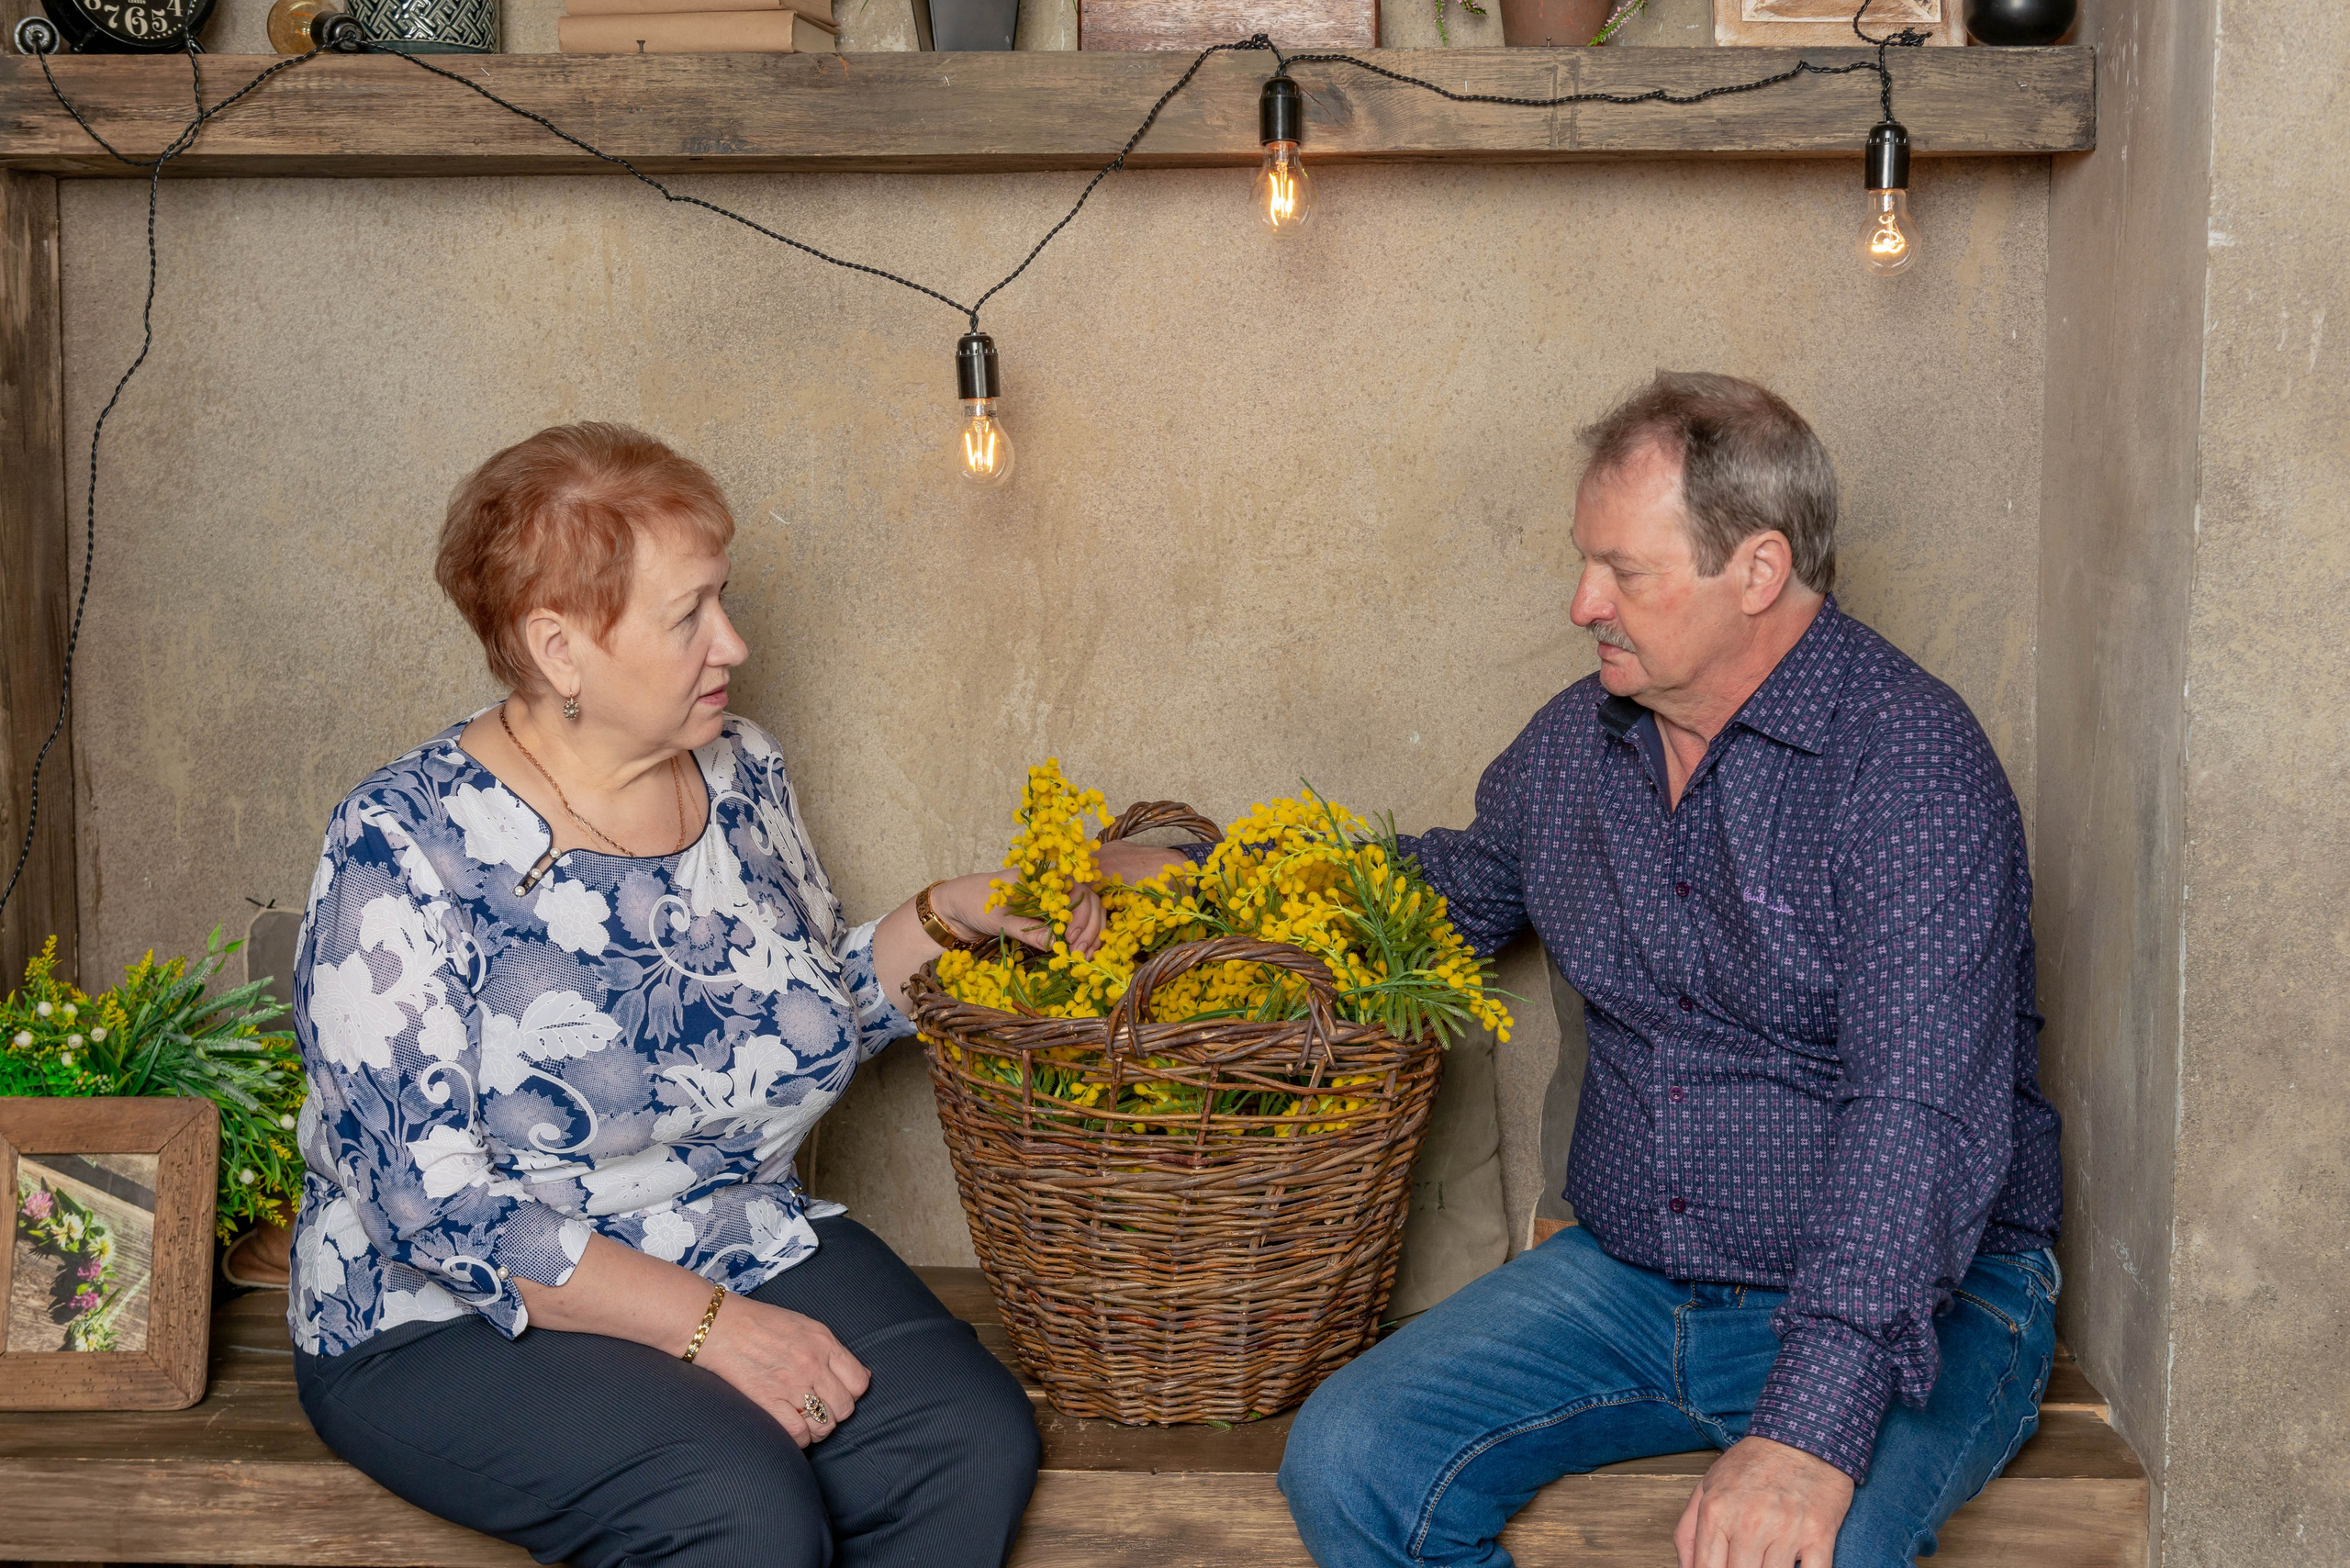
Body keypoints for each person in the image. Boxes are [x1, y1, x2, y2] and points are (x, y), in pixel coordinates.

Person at [1125, 373, 2065, 1568]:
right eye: (1586, 563)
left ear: (1760, 572)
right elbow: (1445, 895)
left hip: (1913, 1305)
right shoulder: (1578, 743)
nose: (1582, 603)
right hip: (1629, 1284)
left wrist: (1809, 1436)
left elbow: (1915, 1122)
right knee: (1350, 1458)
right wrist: (1208, 882)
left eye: (1625, 571)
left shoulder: (1910, 767)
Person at [285, 422, 1073, 1568]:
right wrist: (715, 1332)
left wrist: (951, 913)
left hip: (722, 1230)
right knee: (734, 1505)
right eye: (688, 613)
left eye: (725, 598)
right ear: (559, 647)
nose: (735, 643)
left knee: (964, 1439)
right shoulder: (401, 843)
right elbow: (435, 1207)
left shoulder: (739, 773)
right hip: (446, 1311)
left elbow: (795, 1020)